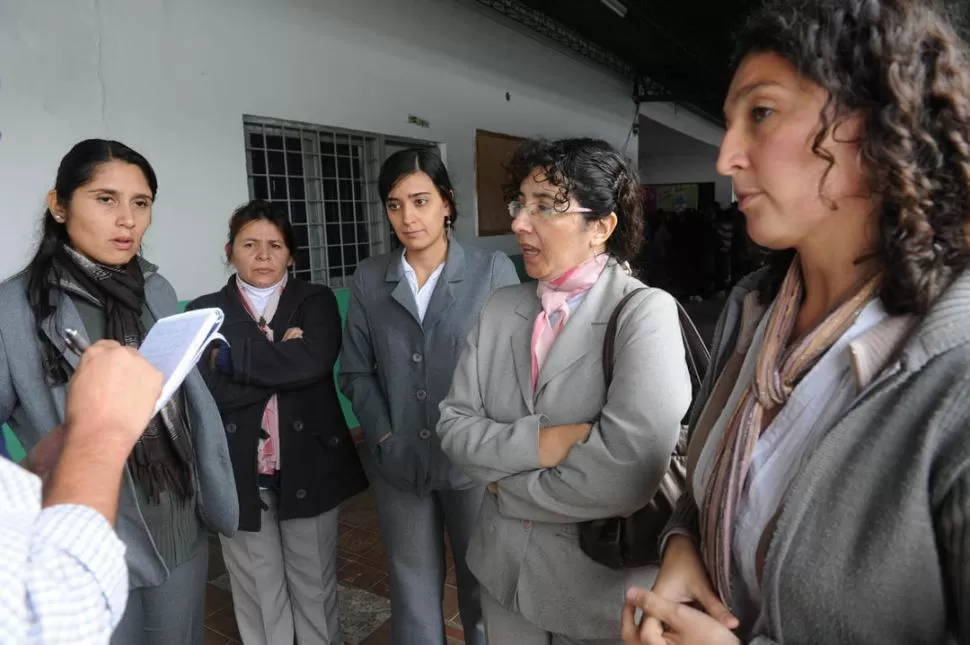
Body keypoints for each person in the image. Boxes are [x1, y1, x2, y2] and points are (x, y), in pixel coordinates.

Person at [621, 1, 970, 644]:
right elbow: (708, 485)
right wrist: (680, 547)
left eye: (761, 113)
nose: (727, 158)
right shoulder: (754, 310)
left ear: (881, 121)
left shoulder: (952, 372)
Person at [437, 137, 692, 644]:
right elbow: (453, 427)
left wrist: (505, 487)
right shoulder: (499, 308)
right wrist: (543, 445)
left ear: (601, 226)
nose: (518, 223)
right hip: (504, 574)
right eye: (519, 204)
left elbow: (626, 473)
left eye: (545, 207)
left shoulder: (644, 313)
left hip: (598, 595)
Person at [0, 139, 238, 645]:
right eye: (105, 199)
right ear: (59, 205)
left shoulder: (156, 289)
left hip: (176, 516)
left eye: (141, 202)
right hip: (88, 531)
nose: (126, 220)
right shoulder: (15, 310)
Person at [339, 148, 519, 645]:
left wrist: (496, 451)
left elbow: (509, 372)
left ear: (447, 202)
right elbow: (355, 369)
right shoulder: (371, 278)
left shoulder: (491, 272)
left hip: (472, 465)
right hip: (399, 461)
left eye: (420, 200)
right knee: (412, 588)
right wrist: (384, 434)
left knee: (484, 589)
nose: (408, 217)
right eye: (395, 205)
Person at [188, 199, 368, 645]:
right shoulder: (206, 310)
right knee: (256, 587)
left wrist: (233, 358)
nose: (263, 255)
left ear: (291, 254)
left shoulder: (316, 300)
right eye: (250, 244)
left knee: (315, 583)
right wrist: (282, 359)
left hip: (310, 463)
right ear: (229, 250)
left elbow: (313, 364)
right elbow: (210, 391)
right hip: (238, 470)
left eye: (275, 245)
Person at [1, 341, 165, 645]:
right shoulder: (10, 310)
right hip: (95, 528)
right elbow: (54, 617)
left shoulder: (156, 291)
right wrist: (99, 434)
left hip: (168, 512)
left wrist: (28, 476)